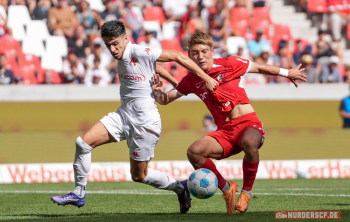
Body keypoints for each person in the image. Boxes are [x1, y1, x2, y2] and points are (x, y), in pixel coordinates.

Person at [50, 20, 219, 214]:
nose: (113, 49)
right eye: (108, 45)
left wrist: (205, 78)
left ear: (125, 39)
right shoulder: (126, 57)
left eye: (115, 44)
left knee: (139, 176)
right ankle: (79, 193)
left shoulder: (138, 51)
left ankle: (180, 188)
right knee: (83, 143)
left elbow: (177, 56)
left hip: (145, 122)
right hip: (123, 115)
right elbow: (155, 68)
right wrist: (178, 85)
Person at [151, 32, 306, 215]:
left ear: (212, 51)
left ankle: (246, 192)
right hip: (224, 132)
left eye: (204, 51)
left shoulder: (229, 64)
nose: (200, 56)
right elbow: (166, 99)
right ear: (189, 56)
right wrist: (158, 92)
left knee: (249, 142)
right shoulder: (191, 80)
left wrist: (287, 73)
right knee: (194, 152)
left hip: (248, 124)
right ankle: (227, 189)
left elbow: (258, 68)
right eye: (194, 53)